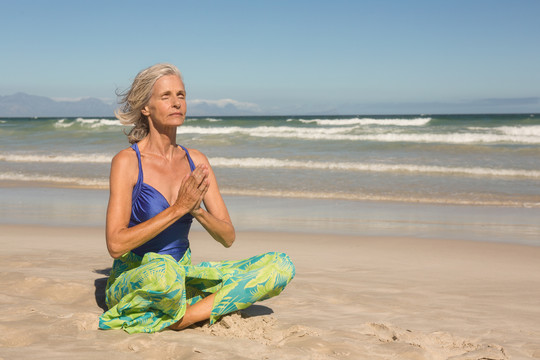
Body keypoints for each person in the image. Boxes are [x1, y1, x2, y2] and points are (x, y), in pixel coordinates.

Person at [98, 63, 295, 333]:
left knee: (280, 265)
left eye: (181, 95)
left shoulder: (196, 161)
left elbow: (228, 237)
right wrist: (178, 208)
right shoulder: (128, 162)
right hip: (139, 276)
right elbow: (116, 244)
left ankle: (182, 317)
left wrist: (197, 210)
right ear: (146, 107)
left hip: (182, 276)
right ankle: (190, 308)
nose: (176, 102)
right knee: (162, 274)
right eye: (165, 96)